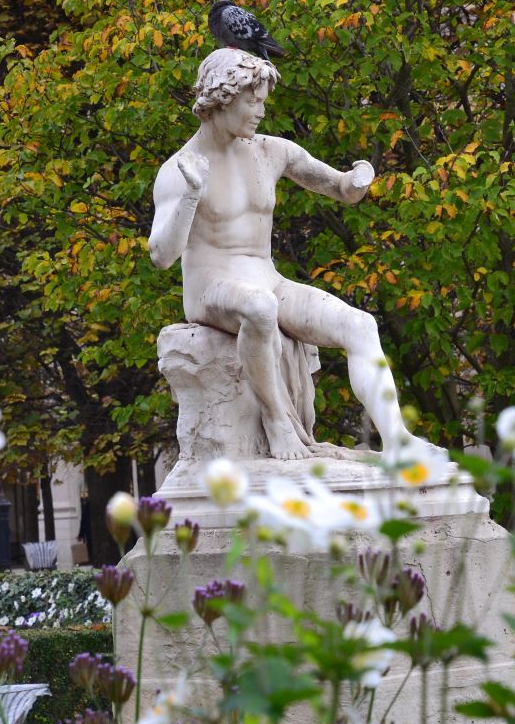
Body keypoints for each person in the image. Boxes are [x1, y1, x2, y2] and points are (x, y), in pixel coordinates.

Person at [149, 48, 423, 460]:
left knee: (360, 324)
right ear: (223, 98)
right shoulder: (182, 168)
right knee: (259, 308)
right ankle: (278, 421)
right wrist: (191, 195)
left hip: (267, 279)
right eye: (252, 101)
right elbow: (161, 256)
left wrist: (355, 181)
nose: (260, 111)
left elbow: (338, 188)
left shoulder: (269, 151)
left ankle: (399, 441)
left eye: (262, 101)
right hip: (211, 287)